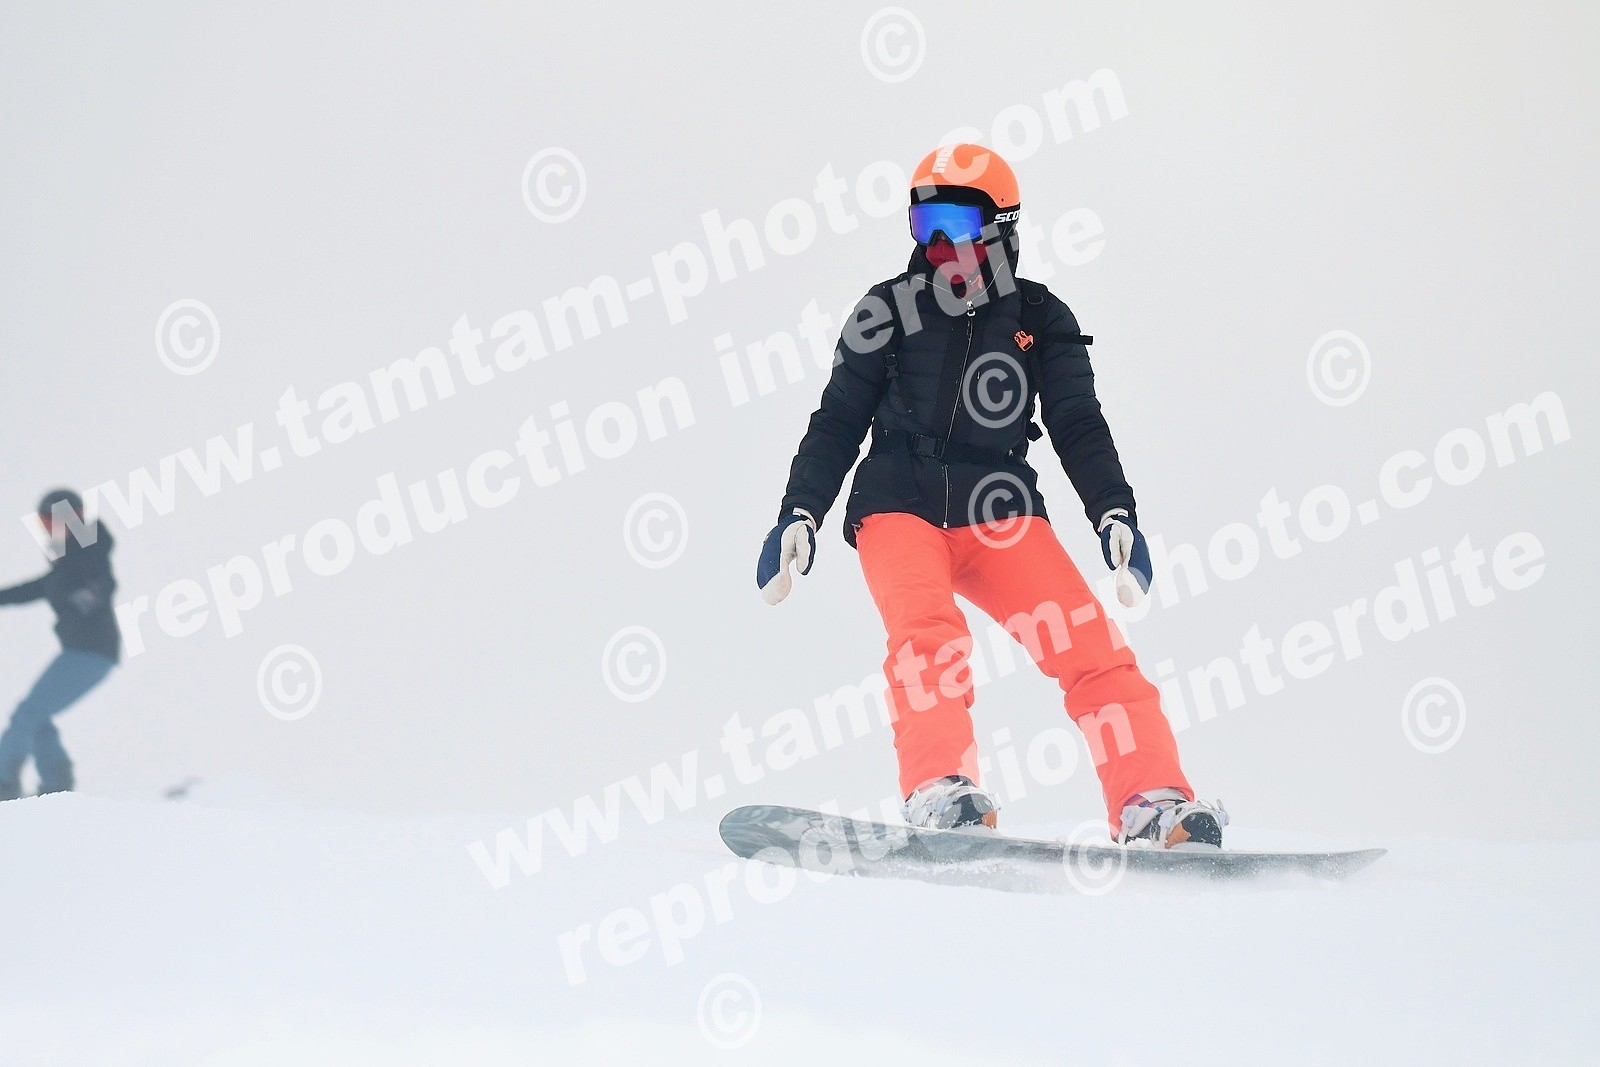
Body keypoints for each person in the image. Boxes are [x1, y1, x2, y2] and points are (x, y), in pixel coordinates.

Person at [756, 143, 1225, 848]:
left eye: (956, 223)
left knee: (1092, 648)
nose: (939, 245)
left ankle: (1152, 802)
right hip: (898, 502)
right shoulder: (887, 309)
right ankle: (941, 788)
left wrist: (1113, 510)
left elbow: (1077, 421)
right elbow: (839, 418)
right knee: (929, 636)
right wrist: (801, 511)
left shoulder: (1040, 315)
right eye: (925, 224)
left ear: (1001, 227)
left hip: (999, 509)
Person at [0, 489, 120, 800]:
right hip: (84, 652)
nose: (45, 529)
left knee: (26, 715)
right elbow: (34, 588)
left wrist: (93, 593)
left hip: (90, 651)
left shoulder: (87, 549)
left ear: (69, 517)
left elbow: (102, 574)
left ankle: (4, 783)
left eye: (49, 521)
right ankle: (56, 784)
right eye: (42, 523)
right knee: (36, 717)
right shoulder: (66, 564)